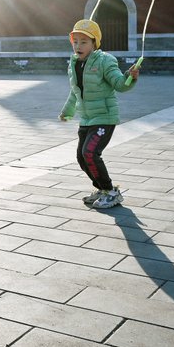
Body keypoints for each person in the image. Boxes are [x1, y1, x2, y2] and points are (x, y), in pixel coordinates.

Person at [59, 19, 140, 209]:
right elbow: (75, 91)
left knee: (90, 153)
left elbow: (120, 84)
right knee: (81, 157)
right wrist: (67, 112)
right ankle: (102, 189)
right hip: (86, 118)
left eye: (84, 42)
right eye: (75, 41)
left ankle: (111, 192)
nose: (78, 46)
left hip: (104, 117)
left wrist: (130, 77)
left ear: (95, 43)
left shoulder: (105, 61)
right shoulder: (73, 64)